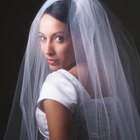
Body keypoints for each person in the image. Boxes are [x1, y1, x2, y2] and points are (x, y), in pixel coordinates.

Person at [4, 0, 140, 140]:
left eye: (59, 38)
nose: (47, 50)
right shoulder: (105, 77)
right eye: (43, 38)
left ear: (82, 37)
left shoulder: (58, 85)